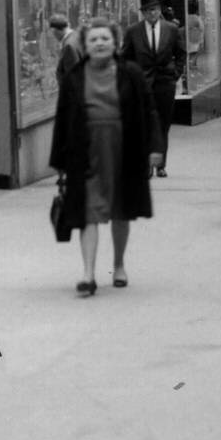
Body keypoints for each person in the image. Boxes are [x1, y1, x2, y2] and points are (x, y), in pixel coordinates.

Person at [49, 16, 163, 295]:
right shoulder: (74, 77)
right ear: (85, 45)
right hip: (85, 151)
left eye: (105, 39)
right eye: (93, 39)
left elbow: (148, 111)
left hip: (123, 150)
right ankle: (88, 274)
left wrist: (155, 147)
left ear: (115, 43)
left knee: (120, 210)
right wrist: (59, 160)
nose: (99, 43)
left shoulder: (132, 74)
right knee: (88, 211)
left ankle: (119, 264)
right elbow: (63, 118)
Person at [121, 0, 187, 176]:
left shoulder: (171, 30)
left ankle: (161, 165)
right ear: (143, 13)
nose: (153, 13)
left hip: (165, 83)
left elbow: (180, 53)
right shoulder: (133, 31)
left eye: (156, 9)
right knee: (144, 124)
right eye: (149, 10)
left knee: (164, 124)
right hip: (142, 84)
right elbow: (125, 57)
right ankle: (146, 165)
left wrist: (176, 73)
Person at [50, 13, 83, 84]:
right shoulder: (77, 36)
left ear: (56, 31)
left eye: (53, 32)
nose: (53, 35)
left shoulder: (68, 46)